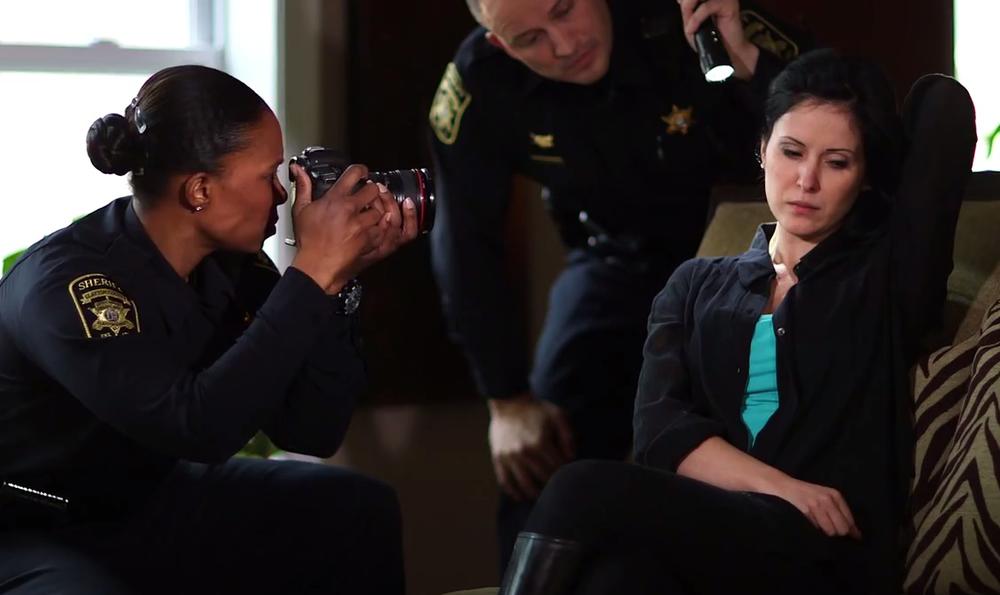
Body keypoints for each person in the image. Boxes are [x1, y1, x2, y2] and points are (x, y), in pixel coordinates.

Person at [495, 51, 978, 595]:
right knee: (613, 581)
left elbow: (943, 108)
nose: (807, 180)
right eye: (791, 151)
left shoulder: (887, 281)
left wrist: (757, 61)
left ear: (867, 176)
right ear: (762, 149)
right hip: (719, 533)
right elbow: (658, 432)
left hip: (824, 550)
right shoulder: (695, 284)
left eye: (838, 162)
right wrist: (787, 489)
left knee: (579, 486)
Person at [0, 65, 419, 594]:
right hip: (28, 526)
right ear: (200, 189)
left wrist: (336, 282)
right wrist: (312, 273)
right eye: (268, 176)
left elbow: (312, 428)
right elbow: (196, 427)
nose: (283, 195)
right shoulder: (70, 286)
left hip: (145, 502)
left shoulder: (233, 269)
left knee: (357, 510)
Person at [429, 0, 808, 568]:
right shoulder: (478, 83)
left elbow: (832, 109)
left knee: (758, 431)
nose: (562, 45)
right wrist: (505, 399)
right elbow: (464, 242)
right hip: (616, 262)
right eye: (529, 38)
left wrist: (749, 60)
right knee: (538, 457)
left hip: (753, 250)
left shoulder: (688, 12)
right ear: (500, 44)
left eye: (564, 9)